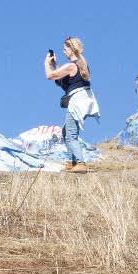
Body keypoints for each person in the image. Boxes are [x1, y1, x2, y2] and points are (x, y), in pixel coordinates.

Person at [44, 36, 99, 173]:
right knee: (66, 131)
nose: (63, 52)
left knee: (70, 135)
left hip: (77, 102)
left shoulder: (71, 66)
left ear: (71, 49)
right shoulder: (81, 66)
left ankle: (80, 163)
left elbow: (50, 76)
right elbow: (63, 82)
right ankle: (73, 161)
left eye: (65, 49)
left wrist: (46, 63)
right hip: (83, 100)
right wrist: (55, 65)